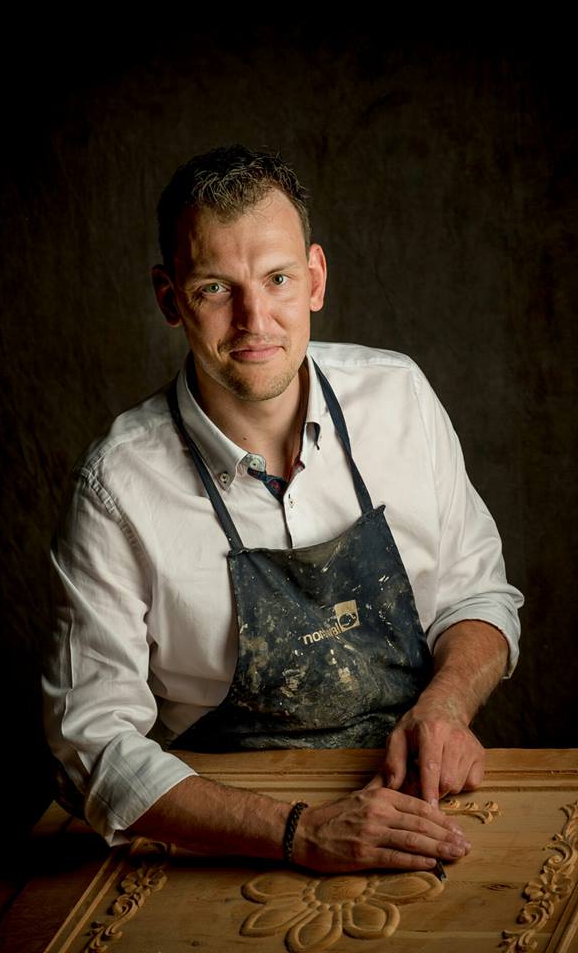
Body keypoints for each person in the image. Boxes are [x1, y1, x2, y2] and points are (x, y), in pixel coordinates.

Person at [42, 144, 523, 874]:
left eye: (277, 279)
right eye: (215, 288)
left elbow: (478, 595)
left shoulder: (399, 397)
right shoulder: (116, 488)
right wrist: (299, 832)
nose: (254, 319)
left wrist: (446, 705)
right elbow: (93, 745)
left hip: (420, 798)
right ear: (169, 299)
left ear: (315, 279)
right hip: (227, 837)